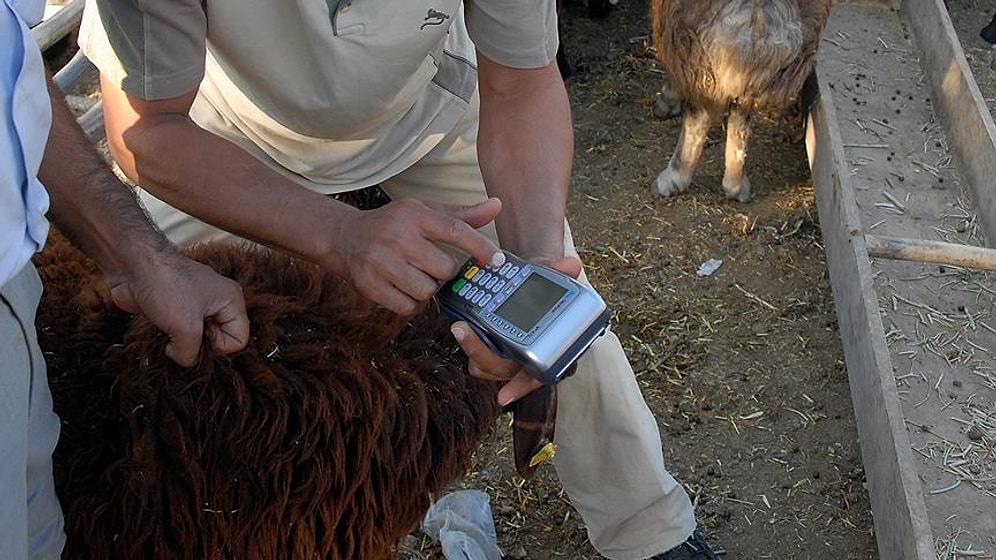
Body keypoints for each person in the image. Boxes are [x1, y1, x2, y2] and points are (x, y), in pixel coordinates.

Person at [78, 1, 719, 558]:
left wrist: (536, 258)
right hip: (220, 142)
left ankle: (647, 529)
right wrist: (338, 234)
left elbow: (521, 86)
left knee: (561, 323)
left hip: (423, 115)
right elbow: (146, 132)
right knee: (178, 351)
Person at [1, 2, 251, 559]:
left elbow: (6, 62)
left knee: (36, 532)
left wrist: (142, 258)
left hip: (14, 282)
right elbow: (148, 133)